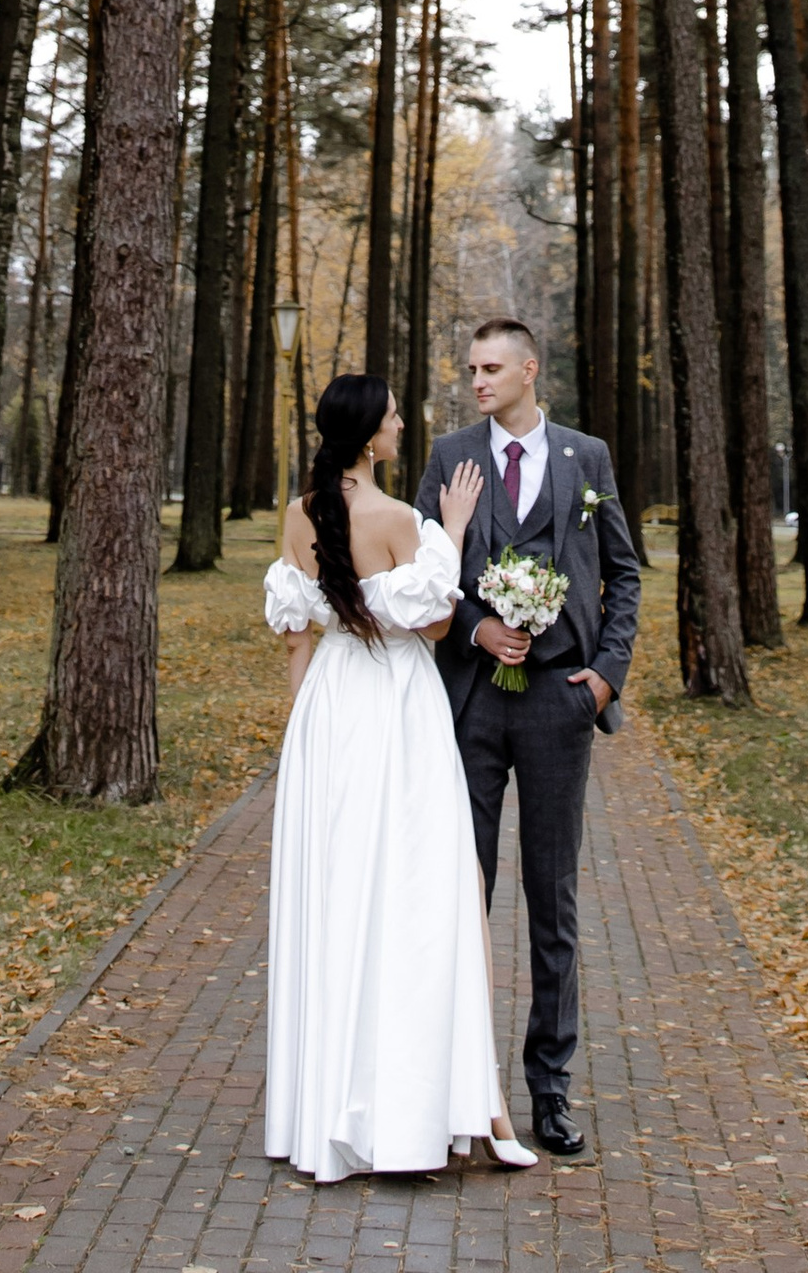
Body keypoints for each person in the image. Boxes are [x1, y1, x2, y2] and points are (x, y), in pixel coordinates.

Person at [263, 371, 540, 1184]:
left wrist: (300, 739)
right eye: (392, 417)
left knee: (340, 899)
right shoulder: (395, 520)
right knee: (420, 894)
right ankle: (438, 1109)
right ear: (366, 436)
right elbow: (434, 619)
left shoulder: (297, 515)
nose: (401, 426)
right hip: (394, 709)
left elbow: (295, 636)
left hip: (327, 714)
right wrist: (449, 530)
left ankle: (335, 1110)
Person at [414, 315, 642, 1160]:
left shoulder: (588, 457)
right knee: (462, 892)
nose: (476, 380)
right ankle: (456, 1086)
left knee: (554, 898)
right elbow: (425, 572)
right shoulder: (449, 457)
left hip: (558, 700)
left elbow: (623, 573)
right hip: (472, 704)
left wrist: (606, 674)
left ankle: (551, 1089)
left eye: (490, 368)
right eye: (470, 368)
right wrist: (475, 629)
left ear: (529, 370)